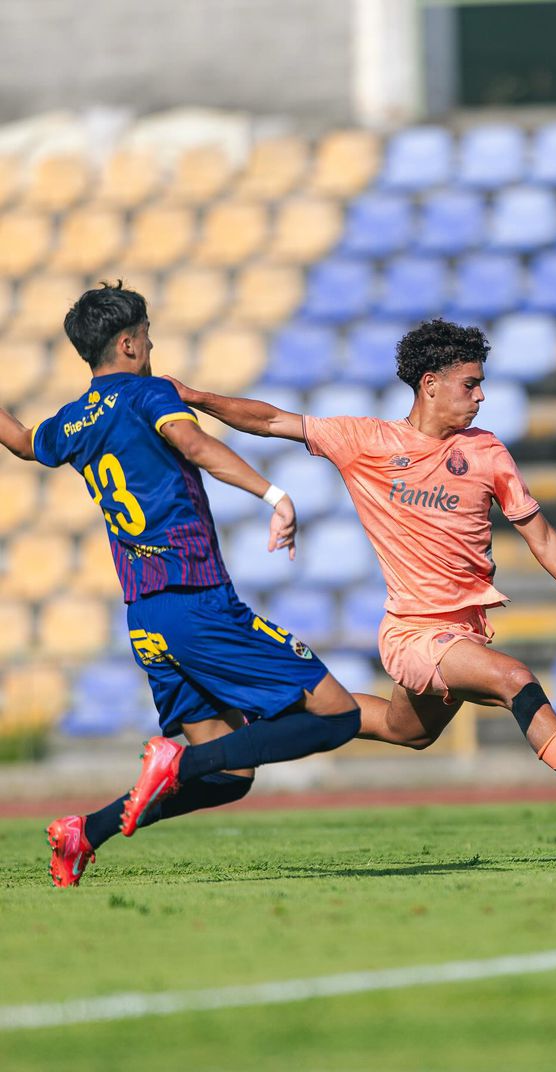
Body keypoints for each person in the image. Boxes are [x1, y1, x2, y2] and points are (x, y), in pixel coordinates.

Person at [165, 318, 556, 838]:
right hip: (414, 633)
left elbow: (540, 536)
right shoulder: (366, 442)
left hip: (465, 631)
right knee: (516, 679)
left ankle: (278, 711)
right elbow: (270, 420)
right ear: (430, 384)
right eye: (470, 384)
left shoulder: (487, 452)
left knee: (406, 731)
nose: (481, 396)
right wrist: (194, 396)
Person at [0, 282, 363, 887]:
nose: (152, 344)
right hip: (198, 600)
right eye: (146, 336)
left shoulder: (72, 421)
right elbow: (192, 444)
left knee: (228, 778)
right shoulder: (151, 393)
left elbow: (17, 441)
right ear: (128, 343)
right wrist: (273, 495)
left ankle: (85, 832)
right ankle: (176, 759)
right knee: (338, 716)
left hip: (145, 618)